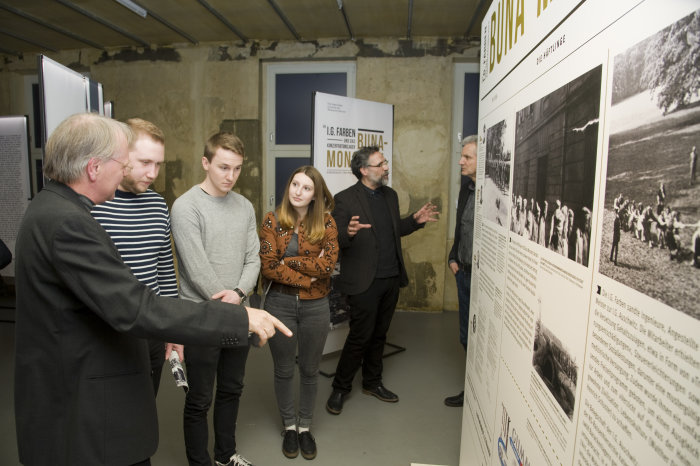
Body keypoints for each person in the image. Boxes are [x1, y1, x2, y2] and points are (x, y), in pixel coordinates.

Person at [13, 113, 290, 466]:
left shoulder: (52, 207)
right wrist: (238, 317)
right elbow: (134, 307)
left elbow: (156, 280)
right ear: (94, 168)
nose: (130, 168)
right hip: (82, 398)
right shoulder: (69, 222)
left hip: (89, 379)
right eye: (124, 161)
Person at [325, 146, 439, 415]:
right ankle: (340, 388)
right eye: (380, 164)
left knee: (379, 334)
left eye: (385, 162)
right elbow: (335, 239)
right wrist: (349, 233)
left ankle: (372, 383)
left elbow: (393, 229)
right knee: (360, 336)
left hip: (390, 278)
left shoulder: (390, 195)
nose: (386, 167)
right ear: (364, 170)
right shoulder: (344, 199)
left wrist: (414, 221)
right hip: (364, 281)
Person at [171, 132, 261, 466]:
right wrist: (233, 304)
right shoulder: (185, 207)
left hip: (239, 315)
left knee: (232, 390)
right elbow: (197, 272)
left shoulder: (244, 206)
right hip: (202, 318)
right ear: (206, 163)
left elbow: (254, 259)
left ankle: (225, 456)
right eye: (224, 167)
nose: (231, 176)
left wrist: (239, 293)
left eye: (237, 169)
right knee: (199, 398)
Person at [91, 118, 181, 395]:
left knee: (145, 405)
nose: (153, 173)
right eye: (144, 162)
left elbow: (165, 271)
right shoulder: (94, 205)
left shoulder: (157, 204)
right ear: (121, 155)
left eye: (158, 164)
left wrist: (173, 330)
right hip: (106, 334)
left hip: (151, 331)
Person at [259, 166, 339, 460]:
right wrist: (307, 273)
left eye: (306, 188)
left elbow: (328, 267)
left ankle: (305, 428)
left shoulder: (327, 223)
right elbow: (268, 266)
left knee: (308, 369)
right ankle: (289, 426)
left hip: (316, 305)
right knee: (282, 369)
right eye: (294, 184)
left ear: (315, 194)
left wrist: (287, 262)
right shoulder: (271, 219)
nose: (298, 192)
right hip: (279, 304)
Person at [444, 135, 477, 407]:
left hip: (486, 281)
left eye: (467, 157)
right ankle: (472, 391)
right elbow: (461, 227)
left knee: (484, 338)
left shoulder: (495, 195)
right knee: (467, 335)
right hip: (464, 274)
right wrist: (453, 257)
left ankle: (481, 393)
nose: (461, 161)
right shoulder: (467, 187)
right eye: (462, 155)